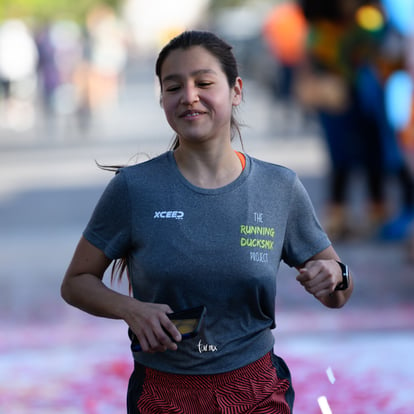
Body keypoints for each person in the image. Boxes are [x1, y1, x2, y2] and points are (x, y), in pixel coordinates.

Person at [61, 30, 354, 414]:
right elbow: (76, 283)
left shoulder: (278, 186)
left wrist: (335, 274)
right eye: (173, 87)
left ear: (235, 91)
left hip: (257, 391)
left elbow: (338, 293)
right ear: (162, 99)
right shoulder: (134, 189)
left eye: (204, 82)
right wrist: (131, 309)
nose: (189, 96)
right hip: (162, 395)